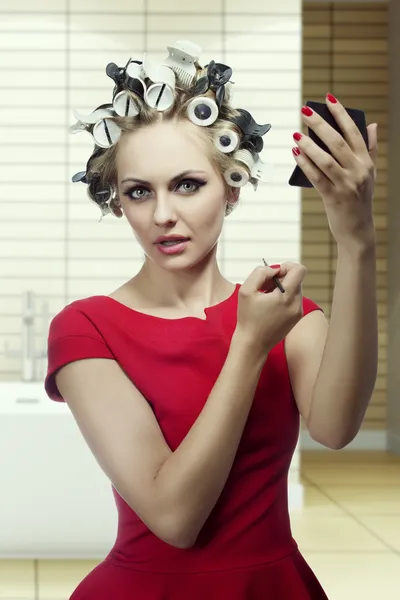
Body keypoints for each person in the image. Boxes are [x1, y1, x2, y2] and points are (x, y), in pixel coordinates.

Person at [44, 40, 379, 599]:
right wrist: (249, 345)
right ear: (118, 202)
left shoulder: (283, 312)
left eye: (187, 184)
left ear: (232, 187)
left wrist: (357, 241)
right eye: (138, 192)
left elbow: (336, 429)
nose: (163, 215)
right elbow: (175, 518)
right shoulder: (86, 328)